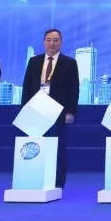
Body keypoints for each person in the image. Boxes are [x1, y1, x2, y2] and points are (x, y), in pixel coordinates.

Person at [21, 28, 79, 188]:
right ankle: (35, 179)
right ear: (43, 42)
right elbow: (27, 87)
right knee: (36, 145)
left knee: (57, 148)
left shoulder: (69, 63)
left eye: (55, 40)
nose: (51, 43)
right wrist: (25, 110)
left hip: (57, 112)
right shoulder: (34, 61)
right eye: (48, 40)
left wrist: (70, 111)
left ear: (61, 42)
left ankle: (57, 183)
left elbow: (74, 89)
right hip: (36, 111)